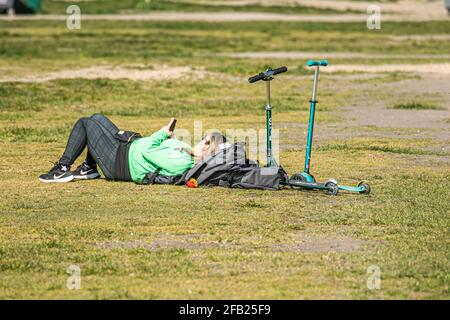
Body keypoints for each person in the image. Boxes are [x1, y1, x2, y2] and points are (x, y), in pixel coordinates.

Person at [38, 113, 225, 184]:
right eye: (203, 138)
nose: (201, 142)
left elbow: (147, 152)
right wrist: (170, 138)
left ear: (209, 153)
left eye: (206, 142)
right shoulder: (186, 149)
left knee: (86, 123)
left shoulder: (183, 163)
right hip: (126, 148)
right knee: (97, 117)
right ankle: (88, 168)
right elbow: (156, 148)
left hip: (120, 162)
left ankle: (62, 168)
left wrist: (162, 133)